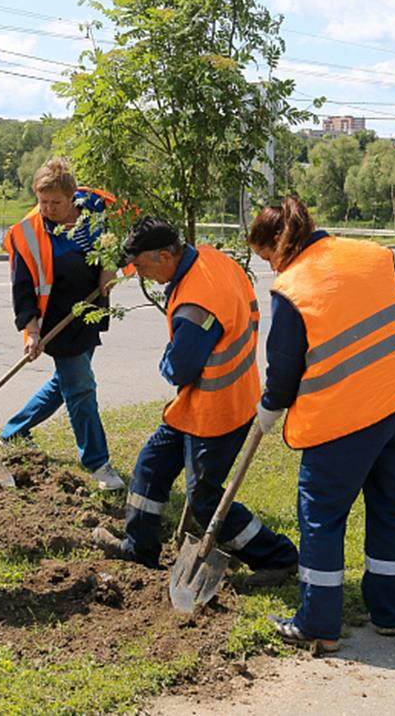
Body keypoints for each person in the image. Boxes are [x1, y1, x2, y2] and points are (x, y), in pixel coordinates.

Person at [248, 196, 395, 654]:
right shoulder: (373, 255)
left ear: (281, 243)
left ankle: (318, 624)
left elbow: (285, 367)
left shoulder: (292, 288)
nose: (270, 268)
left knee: (322, 515)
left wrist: (270, 407)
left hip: (348, 419)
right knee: (391, 506)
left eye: (267, 257)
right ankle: (388, 615)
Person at [92, 217, 299, 584]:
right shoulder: (212, 258)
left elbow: (180, 368)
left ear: (166, 255)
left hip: (219, 409)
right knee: (151, 466)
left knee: (204, 499)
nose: (141, 274)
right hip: (201, 403)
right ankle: (140, 548)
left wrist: (165, 362)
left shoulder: (198, 300)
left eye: (142, 265)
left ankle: (278, 557)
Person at [1, 158, 124, 490]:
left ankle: (13, 432)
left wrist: (111, 266)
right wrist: (32, 332)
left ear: (73, 197)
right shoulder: (26, 234)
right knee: (81, 389)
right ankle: (98, 463)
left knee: (64, 384)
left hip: (88, 313)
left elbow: (121, 242)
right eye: (42, 202)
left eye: (56, 202)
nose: (48, 209)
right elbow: (23, 289)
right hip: (55, 321)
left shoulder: (96, 210)